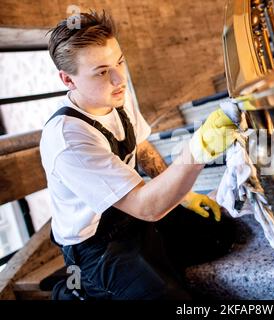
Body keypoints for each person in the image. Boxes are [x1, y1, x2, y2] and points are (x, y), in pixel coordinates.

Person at [40, 10, 238, 300]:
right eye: (102, 71)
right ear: (68, 80)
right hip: (96, 246)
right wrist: (197, 151)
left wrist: (183, 196)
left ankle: (155, 263)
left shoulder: (114, 93)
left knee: (221, 233)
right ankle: (78, 288)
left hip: (133, 218)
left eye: (119, 61)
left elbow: (141, 146)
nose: (120, 78)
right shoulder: (68, 139)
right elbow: (148, 208)